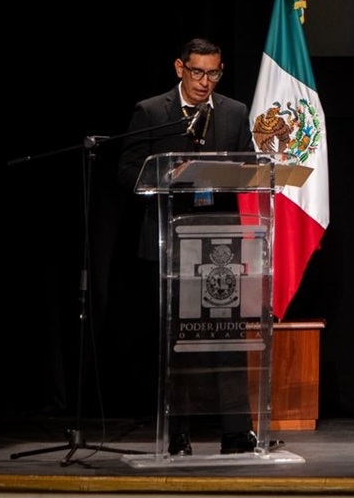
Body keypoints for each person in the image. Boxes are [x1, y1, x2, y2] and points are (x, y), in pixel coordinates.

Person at [115, 38, 256, 456]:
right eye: (197, 72)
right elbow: (126, 173)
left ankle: (237, 431)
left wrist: (231, 171)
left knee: (228, 337)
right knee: (177, 340)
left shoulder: (234, 112)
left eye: (213, 73)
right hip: (169, 237)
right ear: (180, 68)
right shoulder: (152, 111)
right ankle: (177, 432)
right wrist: (167, 175)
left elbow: (248, 167)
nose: (204, 82)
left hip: (220, 241)